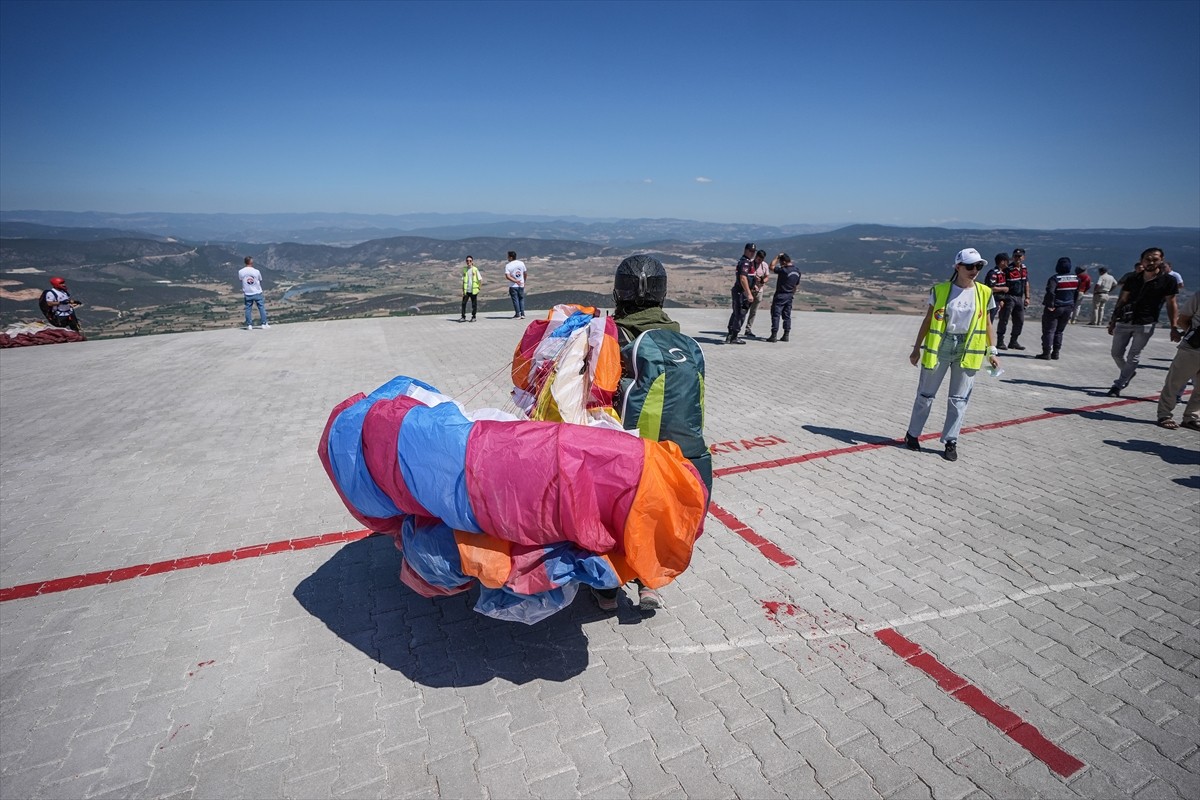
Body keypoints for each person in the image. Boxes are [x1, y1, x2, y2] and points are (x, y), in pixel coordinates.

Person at [593, 254, 707, 612]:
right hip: (674, 451)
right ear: (661, 294)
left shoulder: (611, 335)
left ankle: (609, 589)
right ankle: (649, 585)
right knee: (654, 512)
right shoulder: (680, 341)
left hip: (625, 447)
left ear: (619, 293)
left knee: (612, 514)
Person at [902, 248, 1000, 462]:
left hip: (969, 348)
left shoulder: (985, 292)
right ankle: (912, 435)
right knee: (925, 396)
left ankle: (950, 441)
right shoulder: (940, 290)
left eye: (978, 266)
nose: (975, 270)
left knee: (959, 399)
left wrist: (992, 351)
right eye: (970, 266)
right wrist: (916, 348)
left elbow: (987, 323)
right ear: (958, 267)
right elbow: (928, 320)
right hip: (941, 346)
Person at [1106, 247, 1179, 397]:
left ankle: (1118, 385)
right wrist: (1113, 320)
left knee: (1134, 354)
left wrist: (1174, 326)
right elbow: (1123, 299)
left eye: (1155, 259)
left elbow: (1172, 303)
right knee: (1116, 353)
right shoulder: (1133, 279)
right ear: (1142, 261)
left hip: (1146, 322)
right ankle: (1128, 373)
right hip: (1125, 320)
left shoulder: (1168, 281)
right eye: (1148, 259)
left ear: (1161, 261)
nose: (1151, 262)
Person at [1156, 290, 1200, 430]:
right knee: (1175, 382)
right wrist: (1195, 338)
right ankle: (1164, 414)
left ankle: (1191, 417)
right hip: (1192, 348)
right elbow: (1183, 320)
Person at [1036, 257, 1079, 359]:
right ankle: (1056, 353)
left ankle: (1046, 353)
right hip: (1068, 307)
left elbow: (1050, 292)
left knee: (1049, 330)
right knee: (1059, 331)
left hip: (1056, 307)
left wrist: (1050, 304)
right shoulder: (1076, 278)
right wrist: (1073, 304)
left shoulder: (1055, 279)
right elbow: (1077, 293)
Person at [996, 248, 1030, 349]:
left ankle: (1013, 341)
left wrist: (1027, 297)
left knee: (1019, 320)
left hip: (1019, 297)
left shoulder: (1024, 268)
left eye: (1019, 256)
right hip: (1008, 297)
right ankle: (1000, 341)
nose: (1017, 258)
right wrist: (1001, 299)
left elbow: (1026, 283)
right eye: (1015, 256)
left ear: (1023, 257)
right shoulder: (1008, 269)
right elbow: (1002, 283)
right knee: (1004, 319)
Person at [766, 253, 801, 342]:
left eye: (781, 262)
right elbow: (796, 285)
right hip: (789, 295)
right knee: (787, 316)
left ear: (784, 262)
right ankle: (786, 335)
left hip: (781, 295)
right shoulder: (797, 271)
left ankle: (774, 335)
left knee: (776, 314)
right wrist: (791, 294)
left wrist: (777, 257)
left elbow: (771, 266)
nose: (780, 264)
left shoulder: (784, 270)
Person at [725, 243, 756, 344]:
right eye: (750, 251)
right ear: (746, 250)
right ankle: (734, 336)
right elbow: (743, 278)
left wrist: (753, 285)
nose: (752, 253)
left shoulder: (746, 261)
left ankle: (730, 335)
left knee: (736, 313)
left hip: (740, 291)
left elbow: (749, 277)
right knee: (740, 314)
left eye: (753, 251)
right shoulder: (745, 263)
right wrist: (748, 293)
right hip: (741, 293)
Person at [741, 249, 770, 338]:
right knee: (744, 310)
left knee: (753, 312)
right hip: (750, 291)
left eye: (761, 259)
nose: (759, 261)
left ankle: (748, 329)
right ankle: (737, 327)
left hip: (759, 291)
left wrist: (762, 281)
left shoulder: (764, 265)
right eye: (758, 259)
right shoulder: (750, 264)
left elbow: (767, 276)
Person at [239, 257, 269, 330]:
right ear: (251, 262)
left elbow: (241, 279)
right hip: (257, 292)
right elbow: (260, 279)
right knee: (261, 308)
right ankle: (264, 324)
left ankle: (249, 325)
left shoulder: (240, 271)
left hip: (247, 293)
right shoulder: (256, 271)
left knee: (248, 309)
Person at [983, 253, 1010, 323]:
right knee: (989, 319)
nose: (1008, 263)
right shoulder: (993, 273)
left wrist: (1001, 299)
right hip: (992, 300)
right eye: (1007, 261)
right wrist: (1004, 289)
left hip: (998, 300)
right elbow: (990, 288)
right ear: (1002, 262)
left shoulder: (1002, 273)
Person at [459, 255, 482, 322]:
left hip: (474, 290)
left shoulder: (475, 269)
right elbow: (463, 281)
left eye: (470, 261)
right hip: (467, 290)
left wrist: (478, 288)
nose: (468, 262)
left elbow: (480, 280)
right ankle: (463, 317)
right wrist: (463, 290)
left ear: (472, 262)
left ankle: (473, 317)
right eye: (467, 261)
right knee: (463, 303)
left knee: (474, 304)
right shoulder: (465, 270)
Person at [504, 251, 526, 319]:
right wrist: (524, 281)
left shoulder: (508, 265)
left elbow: (507, 276)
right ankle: (522, 314)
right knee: (521, 299)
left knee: (515, 300)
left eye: (508, 256)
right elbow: (525, 273)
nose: (507, 258)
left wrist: (515, 281)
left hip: (513, 285)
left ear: (511, 257)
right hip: (521, 284)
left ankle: (517, 314)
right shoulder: (521, 263)